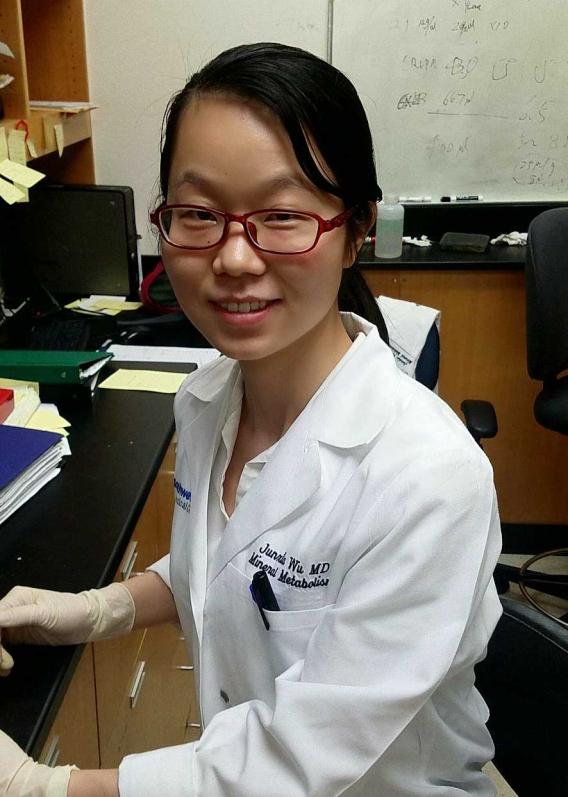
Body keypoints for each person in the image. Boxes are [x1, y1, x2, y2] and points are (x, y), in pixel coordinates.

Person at [0, 42, 502, 797]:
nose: (234, 258)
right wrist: (99, 609)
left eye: (282, 215)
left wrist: (43, 787)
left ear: (356, 229)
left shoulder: (429, 478)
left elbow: (296, 759)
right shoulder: (208, 397)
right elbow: (235, 563)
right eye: (199, 214)